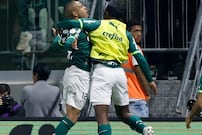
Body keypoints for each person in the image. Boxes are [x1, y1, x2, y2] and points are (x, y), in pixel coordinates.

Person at [56, 1, 158, 134]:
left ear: (107, 13)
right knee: (124, 113)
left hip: (103, 71)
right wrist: (150, 80)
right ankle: (144, 129)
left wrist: (59, 27)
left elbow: (73, 23)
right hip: (120, 74)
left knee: (102, 116)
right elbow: (140, 57)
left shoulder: (98, 24)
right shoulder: (125, 32)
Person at [52, 1, 92, 135]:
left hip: (73, 73)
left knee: (72, 116)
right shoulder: (77, 28)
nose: (85, 8)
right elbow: (70, 40)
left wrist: (58, 38)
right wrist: (69, 45)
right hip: (78, 74)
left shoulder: (66, 28)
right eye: (81, 7)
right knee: (72, 116)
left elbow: (54, 45)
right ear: (75, 13)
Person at [122, 19, 151, 118]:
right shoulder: (135, 50)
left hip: (124, 97)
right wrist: (147, 93)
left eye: (140, 31)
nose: (139, 34)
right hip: (137, 97)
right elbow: (139, 73)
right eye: (135, 31)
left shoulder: (121, 49)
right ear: (128, 33)